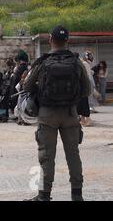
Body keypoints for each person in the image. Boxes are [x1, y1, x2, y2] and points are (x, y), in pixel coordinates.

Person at [24, 26, 91, 201]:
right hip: (70, 114)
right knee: (73, 155)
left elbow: (27, 86)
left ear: (50, 40)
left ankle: (44, 195)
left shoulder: (43, 62)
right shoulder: (76, 62)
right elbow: (87, 90)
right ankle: (77, 195)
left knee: (47, 155)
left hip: (47, 114)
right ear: (67, 40)